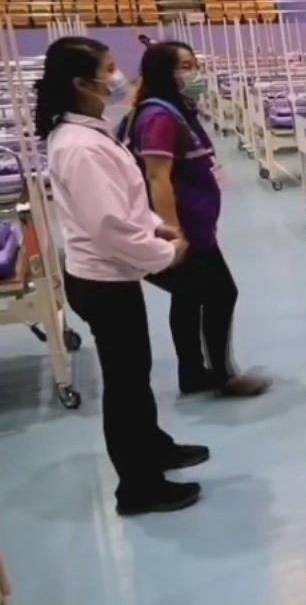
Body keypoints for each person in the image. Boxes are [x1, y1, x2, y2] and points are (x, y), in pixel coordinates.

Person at [36, 37, 207, 515]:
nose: (118, 77)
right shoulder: (80, 147)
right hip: (103, 280)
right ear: (81, 82)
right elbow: (109, 225)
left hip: (110, 274)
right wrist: (164, 252)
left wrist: (154, 225)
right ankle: (138, 487)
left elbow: (122, 203)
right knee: (126, 384)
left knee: (135, 373)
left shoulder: (90, 132)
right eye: (108, 68)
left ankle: (153, 448)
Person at [119, 41, 271, 397]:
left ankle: (192, 373)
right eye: (185, 66)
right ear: (164, 73)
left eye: (194, 65)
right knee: (222, 293)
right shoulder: (159, 118)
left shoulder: (174, 111)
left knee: (188, 297)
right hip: (187, 230)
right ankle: (222, 375)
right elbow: (158, 179)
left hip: (196, 224)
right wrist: (176, 235)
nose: (195, 73)